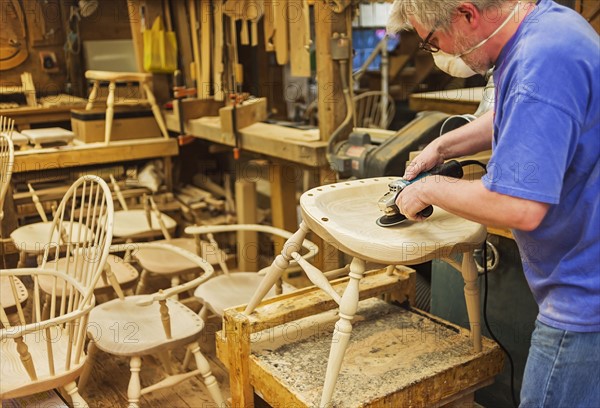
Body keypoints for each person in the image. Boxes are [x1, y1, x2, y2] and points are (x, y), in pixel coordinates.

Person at [387, 0, 599, 406]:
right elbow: (516, 110)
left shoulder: (541, 58)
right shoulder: (548, 27)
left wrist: (429, 189)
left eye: (434, 41)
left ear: (467, 14)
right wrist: (444, 145)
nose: (442, 53)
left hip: (584, 299)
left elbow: (518, 206)